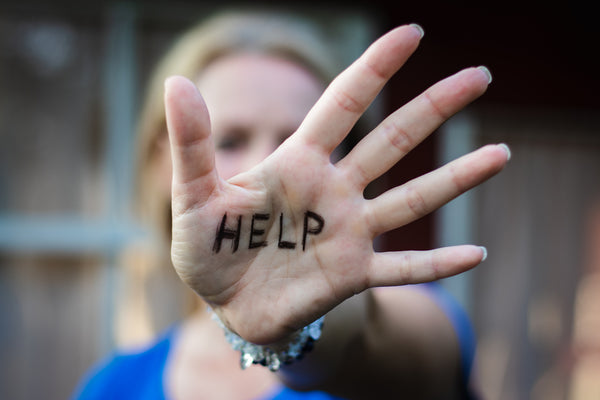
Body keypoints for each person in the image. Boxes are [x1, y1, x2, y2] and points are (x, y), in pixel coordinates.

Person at [72, 9, 510, 400]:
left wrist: (297, 336)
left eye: (294, 140)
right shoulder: (114, 386)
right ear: (158, 164)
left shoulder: (411, 323)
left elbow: (400, 360)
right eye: (229, 140)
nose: (266, 164)